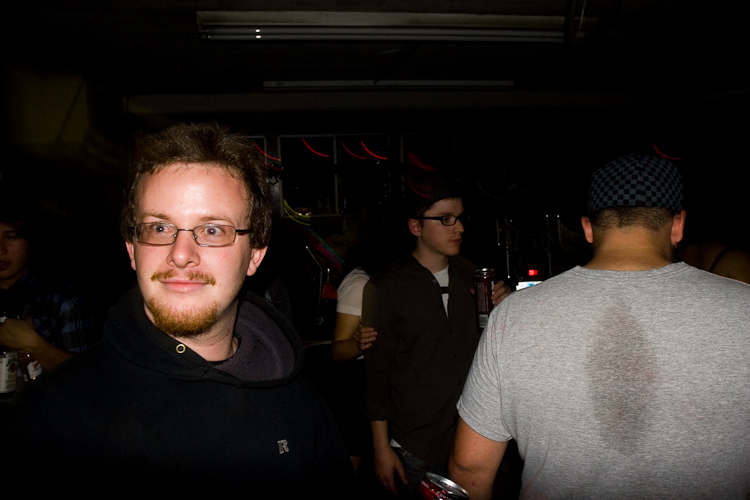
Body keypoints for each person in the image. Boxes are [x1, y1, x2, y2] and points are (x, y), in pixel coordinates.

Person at [1, 123, 351, 494]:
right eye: (159, 228)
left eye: (213, 230)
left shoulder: (298, 401)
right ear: (132, 249)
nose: (181, 255)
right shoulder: (48, 418)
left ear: (255, 254)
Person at [449, 154, 750, 499]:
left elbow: (469, 469)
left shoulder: (513, 316)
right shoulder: (744, 308)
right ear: (678, 224)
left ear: (588, 228)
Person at [362, 172, 510, 497]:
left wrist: (508, 306)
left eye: (460, 218)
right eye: (445, 219)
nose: (459, 228)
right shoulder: (385, 287)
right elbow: (377, 374)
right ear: (416, 226)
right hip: (416, 442)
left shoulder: (473, 276)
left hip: (474, 437)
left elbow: (499, 352)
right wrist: (381, 448)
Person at [0, 187, 96, 376]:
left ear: (32, 241)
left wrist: (34, 345)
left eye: (12, 237)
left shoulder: (63, 299)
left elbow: (92, 376)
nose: (1, 249)